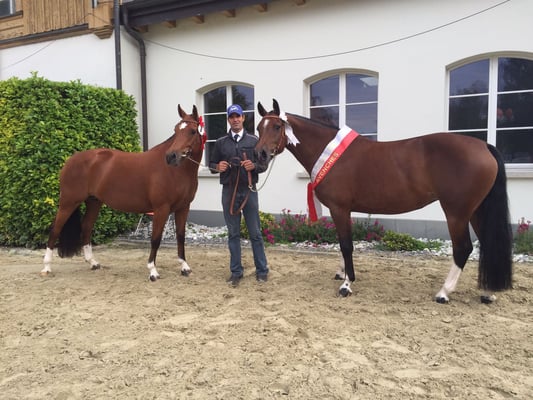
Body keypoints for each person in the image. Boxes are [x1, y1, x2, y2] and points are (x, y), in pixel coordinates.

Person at [209, 104, 269, 286]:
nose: (235, 119)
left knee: (255, 233)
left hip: (249, 190)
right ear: (228, 119)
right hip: (229, 192)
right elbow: (211, 164)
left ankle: (262, 271)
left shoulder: (254, 140)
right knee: (233, 233)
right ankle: (236, 272)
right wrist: (217, 167)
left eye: (238, 116)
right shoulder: (221, 142)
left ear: (243, 118)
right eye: (232, 117)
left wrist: (254, 166)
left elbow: (264, 163)